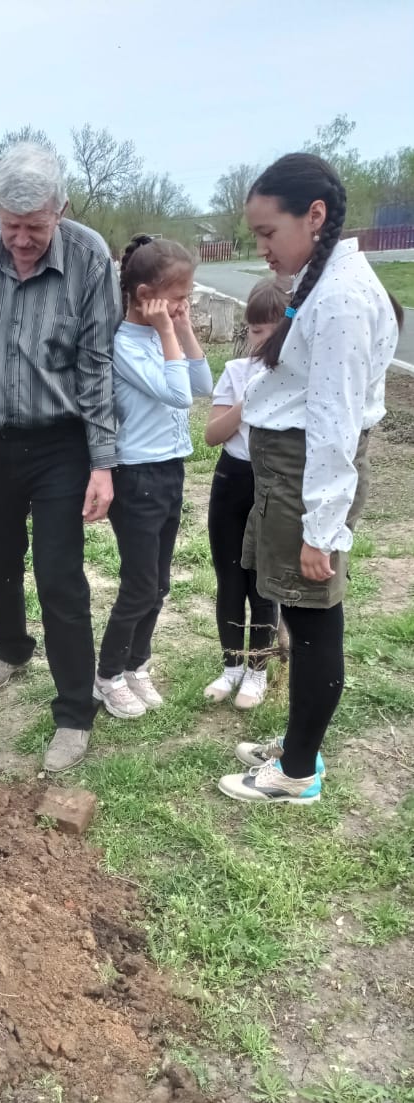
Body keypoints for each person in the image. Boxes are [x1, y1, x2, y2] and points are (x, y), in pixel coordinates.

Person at [218, 154, 399, 804]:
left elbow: (333, 425)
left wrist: (319, 531)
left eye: (268, 233)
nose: (260, 247)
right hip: (288, 472)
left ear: (313, 216)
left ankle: (295, 773)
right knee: (302, 618)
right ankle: (297, 749)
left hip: (306, 478)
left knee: (315, 623)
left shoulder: (343, 300)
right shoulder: (321, 284)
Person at [0, 142, 121, 773]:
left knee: (60, 576)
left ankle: (74, 710)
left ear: (60, 212)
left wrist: (103, 462)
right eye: (10, 227)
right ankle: (12, 649)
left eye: (35, 228)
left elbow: (98, 364)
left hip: (60, 445)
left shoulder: (90, 257)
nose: (20, 241)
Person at [93, 235, 212, 718]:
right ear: (147, 295)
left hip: (170, 469)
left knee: (159, 583)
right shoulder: (125, 345)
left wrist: (182, 330)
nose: (186, 304)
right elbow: (178, 394)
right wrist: (167, 333)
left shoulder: (163, 336)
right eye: (180, 296)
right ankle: (106, 676)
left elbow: (203, 385)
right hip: (137, 475)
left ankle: (136, 664)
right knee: (139, 584)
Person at [202, 279, 285, 708]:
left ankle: (257, 670)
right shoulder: (237, 372)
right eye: (255, 331)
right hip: (232, 479)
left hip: (273, 483)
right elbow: (212, 434)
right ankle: (231, 664)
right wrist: (248, 399)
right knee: (230, 579)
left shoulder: (295, 378)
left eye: (273, 333)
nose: (263, 341)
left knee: (262, 584)